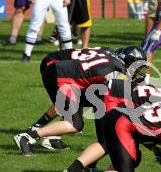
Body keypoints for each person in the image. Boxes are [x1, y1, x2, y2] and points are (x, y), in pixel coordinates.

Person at [13, 47, 145, 156]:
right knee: (75, 123)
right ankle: (28, 136)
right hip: (61, 76)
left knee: (88, 102)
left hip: (62, 73)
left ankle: (48, 135)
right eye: (137, 66)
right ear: (130, 61)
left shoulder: (111, 58)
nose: (138, 72)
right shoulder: (117, 72)